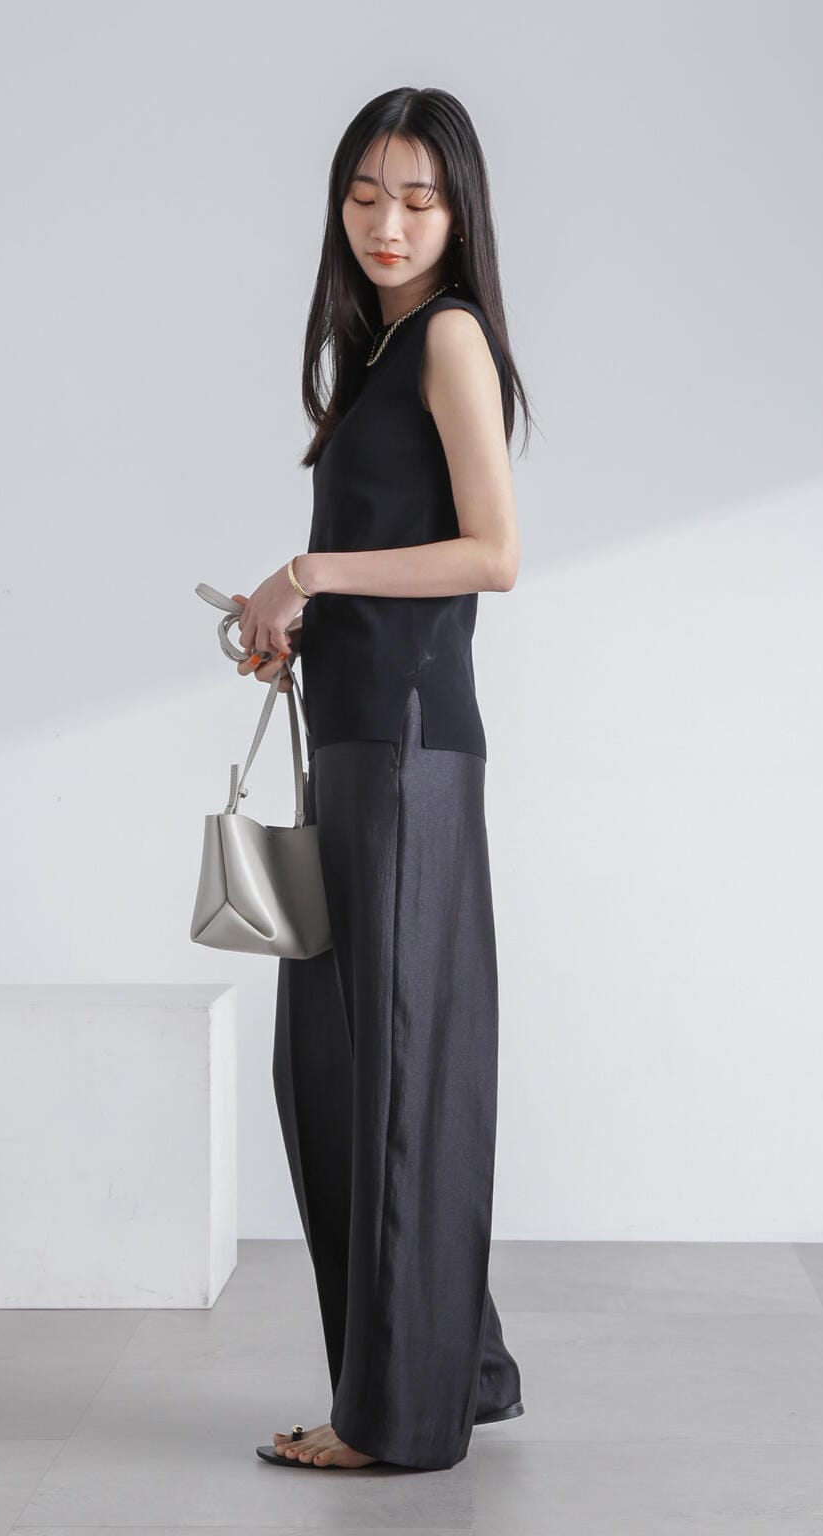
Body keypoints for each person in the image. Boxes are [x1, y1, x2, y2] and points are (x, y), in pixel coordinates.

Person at [230, 86, 536, 1473]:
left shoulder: (450, 337)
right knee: (344, 1075)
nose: (387, 221)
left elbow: (494, 555)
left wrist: (307, 571)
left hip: (409, 756)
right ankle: (458, 1368)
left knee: (393, 1077)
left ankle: (397, 1418)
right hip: (363, 743)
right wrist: (301, 628)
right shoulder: (382, 352)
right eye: (364, 194)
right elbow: (402, 555)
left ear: (459, 212)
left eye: (417, 197)